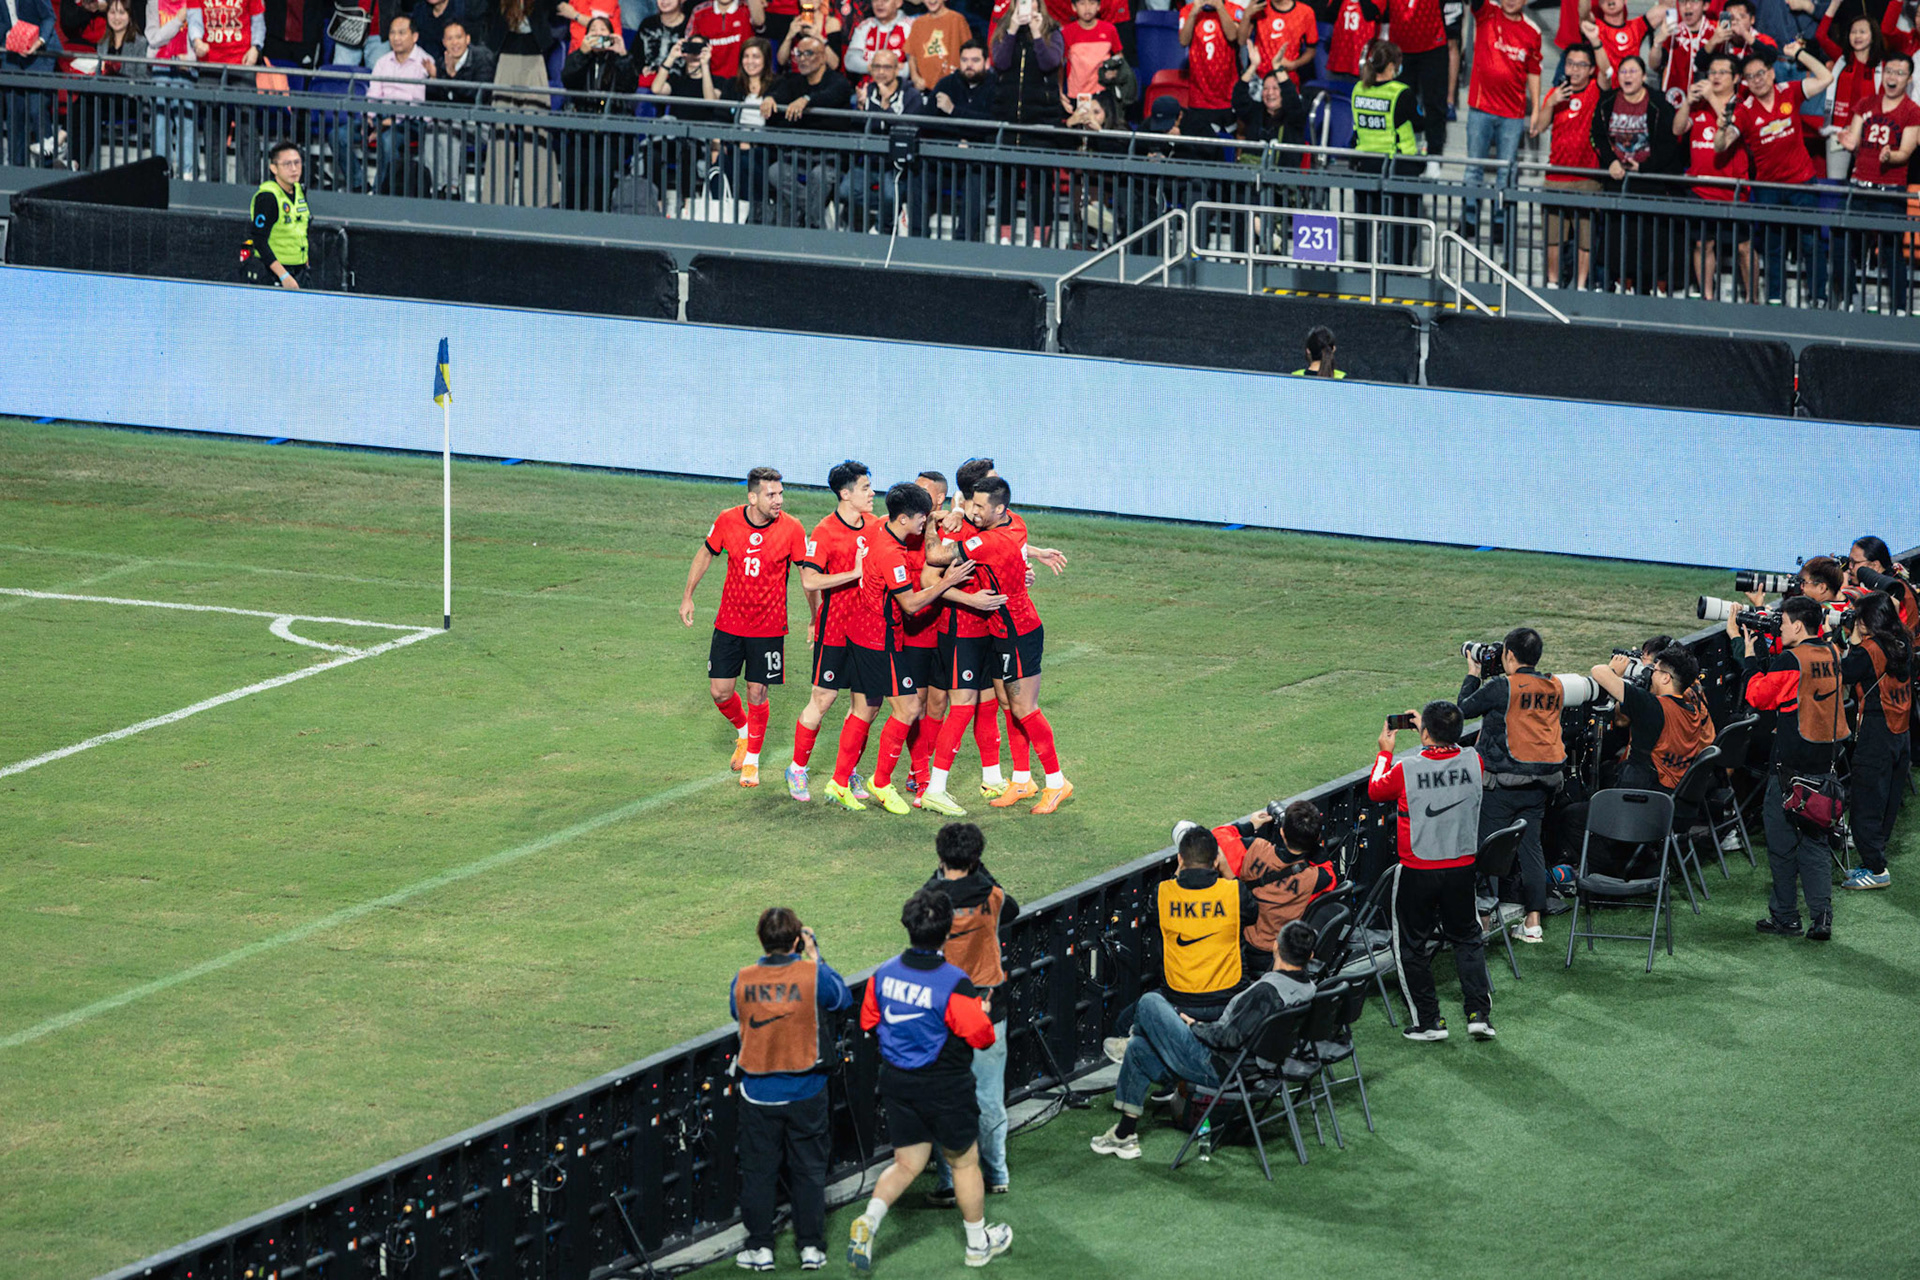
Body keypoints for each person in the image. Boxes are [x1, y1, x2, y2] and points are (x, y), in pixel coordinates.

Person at [850, 889, 1012, 1271]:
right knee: (964, 1163)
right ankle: (978, 1245)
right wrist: (982, 1010)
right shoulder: (954, 983)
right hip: (945, 1086)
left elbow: (868, 1021)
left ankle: (869, 1221)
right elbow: (982, 1037)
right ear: (947, 931)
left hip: (897, 1083)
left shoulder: (882, 974)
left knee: (907, 1163)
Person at [1089, 919, 1317, 1160]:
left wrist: (1195, 1026)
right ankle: (1124, 1135)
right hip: (1250, 1067)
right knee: (1138, 1049)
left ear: (1275, 946)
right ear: (1310, 956)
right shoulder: (1307, 988)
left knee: (1149, 1002)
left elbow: (1229, 1038)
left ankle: (1137, 1034)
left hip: (1219, 1066)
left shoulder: (1267, 992)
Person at [824, 482, 980, 814]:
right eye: (922, 517)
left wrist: (942, 514)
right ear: (905, 518)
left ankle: (838, 782)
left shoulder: (881, 527)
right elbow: (909, 604)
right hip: (879, 640)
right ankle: (881, 783)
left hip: (862, 632)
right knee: (908, 709)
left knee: (864, 710)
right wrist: (947, 582)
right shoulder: (892, 554)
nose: (925, 522)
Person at [729, 907, 853, 1274]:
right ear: (797, 940)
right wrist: (815, 955)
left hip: (759, 1092)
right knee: (809, 1171)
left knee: (758, 1173)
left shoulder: (743, 978)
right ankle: (810, 1247)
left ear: (761, 940)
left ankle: (760, 1248)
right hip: (806, 1089)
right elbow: (841, 999)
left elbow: (737, 1013)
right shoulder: (813, 974)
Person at [1368, 700, 1496, 1042]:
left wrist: (1384, 752)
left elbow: (1376, 789)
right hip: (1462, 867)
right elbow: (1447, 752)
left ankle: (1429, 1022)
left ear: (1425, 733)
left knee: (1412, 946)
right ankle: (1478, 1015)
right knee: (1467, 938)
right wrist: (1428, 731)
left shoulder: (1405, 768)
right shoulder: (1473, 760)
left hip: (1418, 868)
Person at [678, 467, 808, 788]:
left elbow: (807, 575)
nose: (778, 500)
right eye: (771, 494)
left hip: (769, 627)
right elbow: (705, 554)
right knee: (720, 691)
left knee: (757, 691)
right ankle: (744, 731)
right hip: (730, 622)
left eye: (780, 493)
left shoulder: (792, 528)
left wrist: (816, 616)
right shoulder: (728, 520)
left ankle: (752, 760)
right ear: (752, 497)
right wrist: (688, 596)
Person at [953, 476, 1072, 813]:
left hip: (1019, 632)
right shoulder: (1016, 522)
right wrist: (1035, 555)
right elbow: (1015, 551)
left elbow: (939, 555)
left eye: (980, 506)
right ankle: (1022, 780)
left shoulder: (991, 539)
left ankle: (1057, 783)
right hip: (1000, 631)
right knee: (1007, 703)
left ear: (999, 508)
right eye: (972, 504)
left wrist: (950, 516)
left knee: (1025, 708)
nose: (974, 511)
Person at [1734, 594, 1848, 941]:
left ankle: (1786, 916)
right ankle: (1822, 917)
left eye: (1782, 623)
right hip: (1826, 768)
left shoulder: (1790, 659)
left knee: (1782, 845)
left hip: (1789, 773)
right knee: (1815, 843)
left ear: (1798, 626)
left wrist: (1749, 656)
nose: (1779, 628)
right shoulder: (1832, 653)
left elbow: (1758, 696)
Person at [922, 822, 1019, 1203]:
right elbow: (1011, 907)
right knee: (989, 1097)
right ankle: (996, 1174)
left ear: (940, 856)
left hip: (943, 1013)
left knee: (945, 1099)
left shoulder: (929, 901)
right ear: (976, 858)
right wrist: (981, 871)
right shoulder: (991, 896)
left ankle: (950, 1181)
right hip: (987, 1007)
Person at [1458, 627, 1567, 946]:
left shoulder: (1502, 687)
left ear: (1508, 654)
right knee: (1531, 849)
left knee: (1485, 849)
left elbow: (1462, 710)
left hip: (1502, 785)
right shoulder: (1554, 685)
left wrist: (1473, 673)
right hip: (1541, 785)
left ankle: (1483, 920)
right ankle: (1533, 923)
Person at [1715, 42, 1833, 305]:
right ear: (1745, 82)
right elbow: (1721, 146)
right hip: (1768, 188)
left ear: (1771, 73)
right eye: (1750, 77)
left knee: (1811, 243)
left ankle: (1819, 298)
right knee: (1773, 247)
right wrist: (1722, 127)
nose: (1757, 80)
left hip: (1803, 183)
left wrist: (1799, 54)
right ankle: (1775, 300)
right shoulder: (1744, 110)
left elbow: (1826, 77)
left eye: (1760, 73)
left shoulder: (1789, 91)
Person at [788, 458, 874, 803]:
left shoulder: (875, 525)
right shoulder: (824, 532)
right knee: (823, 699)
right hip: (835, 629)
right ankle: (797, 769)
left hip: (869, 631)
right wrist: (853, 574)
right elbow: (809, 579)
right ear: (845, 493)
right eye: (865, 488)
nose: (872, 493)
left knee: (865, 705)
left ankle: (846, 772)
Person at [1590, 53, 1685, 293]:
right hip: (1617, 180)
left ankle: (1649, 288)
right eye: (1623, 72)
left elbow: (1669, 145)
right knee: (1617, 239)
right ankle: (1619, 285)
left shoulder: (1658, 103)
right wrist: (1611, 162)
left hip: (1650, 181)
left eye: (1633, 71)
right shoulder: (1607, 102)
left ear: (1643, 76)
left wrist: (1644, 167)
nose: (1627, 76)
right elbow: (1597, 136)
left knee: (1649, 239)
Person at [1838, 592, 1912, 890]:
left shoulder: (1869, 650)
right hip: (1901, 733)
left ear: (1868, 621)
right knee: (1888, 802)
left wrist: (1851, 640)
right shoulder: (1903, 641)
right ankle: (1875, 859)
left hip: (1876, 734)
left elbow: (1844, 673)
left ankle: (1876, 869)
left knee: (1866, 802)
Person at [1836, 53, 1919, 313]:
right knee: (1844, 243)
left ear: (1909, 79)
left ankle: (1899, 308)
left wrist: (1890, 156)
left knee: (1892, 252)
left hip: (1890, 192)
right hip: (1860, 187)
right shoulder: (1866, 103)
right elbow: (1854, 138)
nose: (1893, 78)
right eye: (1889, 71)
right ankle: (1849, 298)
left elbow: (1906, 151)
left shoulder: (1912, 111)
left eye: (1899, 73)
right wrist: (1850, 143)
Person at [1214, 801, 1339, 969]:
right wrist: (1311, 843)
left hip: (1243, 948)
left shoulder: (1253, 849)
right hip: (1281, 954)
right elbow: (1328, 869)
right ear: (1317, 838)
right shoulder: (1315, 878)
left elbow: (1217, 836)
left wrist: (1250, 825)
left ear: (1281, 832)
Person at [1458, 0, 1541, 241]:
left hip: (1513, 114)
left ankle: (1501, 222)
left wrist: (1536, 109)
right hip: (1481, 107)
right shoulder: (1486, 13)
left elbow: (1534, 71)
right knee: (1473, 168)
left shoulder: (1532, 31)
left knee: (1507, 172)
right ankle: (1469, 220)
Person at [331, 13, 434, 194]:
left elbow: (414, 106)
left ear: (415, 36)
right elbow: (373, 95)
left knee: (387, 141)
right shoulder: (383, 61)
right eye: (392, 33)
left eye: (401, 33)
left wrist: (384, 125)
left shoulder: (424, 63)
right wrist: (369, 119)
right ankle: (358, 185)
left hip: (411, 122)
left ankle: (380, 193)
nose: (396, 38)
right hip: (382, 116)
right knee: (338, 135)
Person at [1677, 50, 1749, 299]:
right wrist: (1687, 102)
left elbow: (1729, 124)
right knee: (1702, 244)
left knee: (1744, 247)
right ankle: (1706, 296)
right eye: (1712, 72)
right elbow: (1677, 128)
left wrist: (1710, 96)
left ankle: (1752, 299)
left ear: (1736, 78)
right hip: (1700, 188)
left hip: (1733, 189)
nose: (1715, 77)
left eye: (1722, 72)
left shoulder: (1743, 105)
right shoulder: (1699, 105)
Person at [1533, 40, 1600, 289]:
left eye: (1581, 65)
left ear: (1591, 69)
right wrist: (1551, 102)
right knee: (1553, 237)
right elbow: (1539, 127)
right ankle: (1552, 282)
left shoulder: (1596, 90)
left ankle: (1580, 285)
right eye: (1570, 63)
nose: (1575, 69)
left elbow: (1608, 74)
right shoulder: (1556, 92)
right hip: (1556, 177)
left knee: (1585, 238)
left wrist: (1597, 42)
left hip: (1587, 177)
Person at [763, 35, 853, 223]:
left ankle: (808, 222)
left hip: (831, 154)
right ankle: (817, 218)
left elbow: (831, 95)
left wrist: (807, 100)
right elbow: (779, 92)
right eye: (799, 54)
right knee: (775, 171)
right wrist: (770, 98)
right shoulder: (794, 81)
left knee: (819, 176)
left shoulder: (838, 81)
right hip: (801, 152)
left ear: (822, 57)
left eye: (808, 54)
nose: (802, 59)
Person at [1349, 39, 1422, 264]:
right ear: (1391, 66)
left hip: (1365, 166)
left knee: (1364, 230)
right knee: (1404, 231)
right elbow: (1419, 123)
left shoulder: (1358, 89)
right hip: (1398, 168)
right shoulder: (1401, 93)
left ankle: (1361, 274)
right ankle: (1400, 275)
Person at [928, 40, 998, 240]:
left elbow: (993, 125)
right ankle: (916, 237)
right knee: (918, 176)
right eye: (965, 60)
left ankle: (962, 241)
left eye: (975, 60)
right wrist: (960, 136)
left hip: (979, 161)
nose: (969, 65)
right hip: (946, 159)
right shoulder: (946, 84)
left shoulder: (997, 87)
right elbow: (928, 123)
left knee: (976, 180)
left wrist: (953, 111)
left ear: (986, 62)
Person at [1813, 0, 1883, 181]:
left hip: (1869, 134)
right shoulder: (1841, 59)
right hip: (1838, 130)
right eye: (1853, 32)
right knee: (1834, 183)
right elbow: (1820, 35)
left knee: (1867, 183)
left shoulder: (1882, 66)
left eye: (1862, 32)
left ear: (1873, 36)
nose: (1857, 36)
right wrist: (1834, 5)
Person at [242, 140, 310, 288]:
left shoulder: (299, 190)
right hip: (273, 274)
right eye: (287, 164)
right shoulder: (268, 197)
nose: (294, 169)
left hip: (299, 271)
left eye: (297, 163)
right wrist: (283, 275)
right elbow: (259, 240)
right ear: (274, 168)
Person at [1176, 0, 1238, 132]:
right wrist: (1193, 13)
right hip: (1199, 97)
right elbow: (1183, 41)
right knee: (1200, 141)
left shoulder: (1233, 9)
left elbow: (1233, 36)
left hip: (1228, 95)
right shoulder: (1187, 11)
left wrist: (1220, 7)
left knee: (1230, 140)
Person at [1848, 536, 1920, 635]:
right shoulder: (1872, 587)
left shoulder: (1896, 590)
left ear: (1875, 565)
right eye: (1849, 561)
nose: (1850, 567)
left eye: (1854, 562)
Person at [1654, 0, 1716, 108]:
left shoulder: (1717, 31)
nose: (1687, 6)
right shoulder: (1671, 31)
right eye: (1682, 2)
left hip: (1708, 104)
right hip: (1675, 100)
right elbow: (1654, 65)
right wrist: (1657, 43)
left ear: (1705, 5)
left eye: (1693, 1)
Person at [1060, 0, 1122, 102]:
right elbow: (1060, 64)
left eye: (1092, 3)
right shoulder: (1066, 32)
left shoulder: (1110, 30)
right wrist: (1060, 92)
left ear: (1098, 6)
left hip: (1104, 93)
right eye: (1082, 3)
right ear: (1074, 7)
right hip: (1078, 94)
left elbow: (1119, 56)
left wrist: (1114, 71)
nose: (1087, 8)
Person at [1233, 68, 1308, 147]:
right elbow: (1239, 98)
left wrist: (1278, 67)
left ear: (1284, 91)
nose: (1270, 93)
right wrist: (1253, 66)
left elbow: (1292, 99)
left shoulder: (1295, 115)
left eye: (1275, 88)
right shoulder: (1255, 112)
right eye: (1265, 88)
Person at [904, 0, 970, 90]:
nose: (932, 0)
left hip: (953, 85)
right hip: (925, 87)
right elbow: (911, 55)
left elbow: (968, 51)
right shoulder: (918, 23)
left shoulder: (957, 19)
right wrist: (915, 77)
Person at [687, 0, 762, 78]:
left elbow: (760, 23)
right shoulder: (699, 12)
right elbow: (689, 48)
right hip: (709, 79)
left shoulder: (748, 8)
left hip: (743, 78)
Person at [1243, 0, 1315, 81]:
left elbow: (1311, 50)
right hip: (1259, 76)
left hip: (1287, 76)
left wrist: (1294, 64)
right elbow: (1241, 41)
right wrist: (1246, 15)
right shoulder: (1260, 8)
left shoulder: (1306, 12)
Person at [844, 0, 909, 77]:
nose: (879, 4)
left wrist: (889, 72)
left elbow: (915, 66)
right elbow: (850, 61)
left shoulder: (910, 26)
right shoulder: (865, 26)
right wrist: (875, 68)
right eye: (875, 0)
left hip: (899, 83)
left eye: (885, 0)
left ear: (898, 3)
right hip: (867, 83)